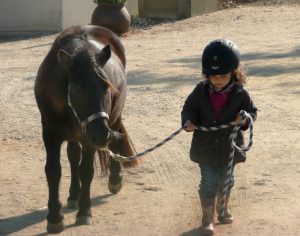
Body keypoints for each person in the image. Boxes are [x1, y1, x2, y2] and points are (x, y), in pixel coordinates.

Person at [181, 39, 257, 236]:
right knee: (209, 181)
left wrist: (245, 119)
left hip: (229, 148)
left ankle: (223, 209)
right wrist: (188, 122)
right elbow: (188, 108)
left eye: (223, 76)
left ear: (234, 72)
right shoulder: (200, 91)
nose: (217, 80)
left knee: (227, 180)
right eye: (212, 76)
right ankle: (208, 219)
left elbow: (252, 111)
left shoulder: (240, 93)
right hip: (205, 146)